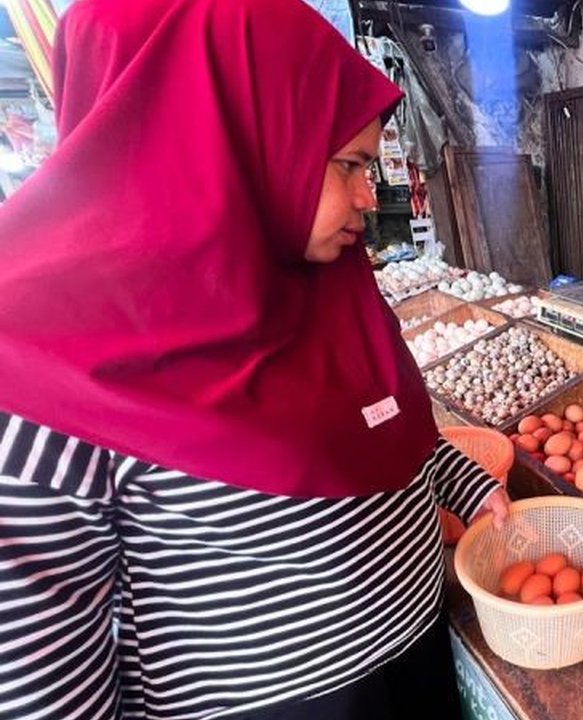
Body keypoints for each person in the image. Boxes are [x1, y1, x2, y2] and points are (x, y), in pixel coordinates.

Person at [0, 1, 509, 718]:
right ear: (225, 135)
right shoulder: (38, 362)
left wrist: (456, 478)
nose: (373, 194)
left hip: (417, 663)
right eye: (350, 164)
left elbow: (381, 427)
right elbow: (40, 685)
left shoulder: (321, 283)